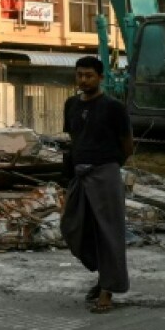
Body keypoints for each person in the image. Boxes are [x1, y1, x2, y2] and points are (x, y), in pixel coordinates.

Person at [59, 56, 133, 313]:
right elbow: (75, 138)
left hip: (105, 173)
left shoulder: (113, 107)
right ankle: (105, 275)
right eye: (80, 74)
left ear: (101, 77)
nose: (83, 80)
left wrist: (110, 167)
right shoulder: (71, 105)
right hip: (79, 175)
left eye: (89, 75)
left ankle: (107, 291)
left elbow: (127, 145)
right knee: (73, 227)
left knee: (109, 233)